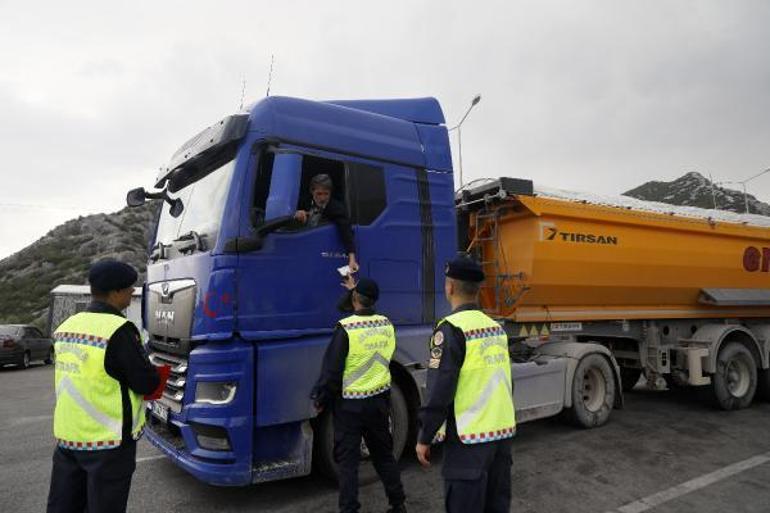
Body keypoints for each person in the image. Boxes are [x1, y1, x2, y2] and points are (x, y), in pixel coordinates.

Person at [47, 259, 165, 513]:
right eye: (129, 288)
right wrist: (157, 372)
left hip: (68, 437)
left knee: (65, 505)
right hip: (107, 442)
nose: (133, 292)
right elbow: (145, 382)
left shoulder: (67, 326)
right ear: (115, 292)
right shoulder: (119, 330)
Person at [415, 255, 516, 513]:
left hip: (468, 442)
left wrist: (425, 437)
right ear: (478, 290)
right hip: (501, 439)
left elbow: (439, 390)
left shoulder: (450, 329)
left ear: (449, 287)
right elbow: (505, 382)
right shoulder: (496, 328)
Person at [311, 275, 406, 513]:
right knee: (384, 456)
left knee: (348, 464)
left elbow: (332, 372)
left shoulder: (346, 329)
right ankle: (398, 504)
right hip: (379, 402)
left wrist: (321, 399)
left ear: (355, 298)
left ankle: (350, 509)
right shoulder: (386, 324)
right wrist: (356, 291)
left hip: (350, 407)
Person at [294, 173, 359, 273]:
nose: (323, 198)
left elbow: (346, 232)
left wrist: (352, 259)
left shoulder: (337, 209)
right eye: (319, 194)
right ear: (312, 192)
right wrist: (298, 214)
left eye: (326, 194)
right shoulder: (305, 202)